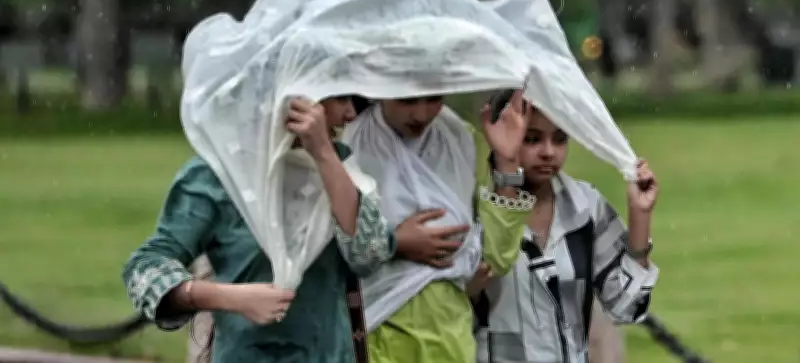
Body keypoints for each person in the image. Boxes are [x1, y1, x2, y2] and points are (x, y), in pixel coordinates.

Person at [122, 96, 396, 363]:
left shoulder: (339, 167)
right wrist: (230, 297)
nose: (350, 114)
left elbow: (369, 254)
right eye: (339, 98)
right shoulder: (218, 175)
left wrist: (323, 154)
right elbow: (144, 269)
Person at [342, 91, 536, 363]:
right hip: (376, 337)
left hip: (450, 339)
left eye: (433, 98)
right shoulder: (347, 146)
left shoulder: (461, 140)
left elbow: (496, 258)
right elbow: (330, 252)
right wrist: (393, 243)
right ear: (380, 88)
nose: (421, 114)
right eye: (407, 99)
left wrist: (507, 162)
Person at [474, 90, 660, 363]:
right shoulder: (473, 210)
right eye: (532, 139)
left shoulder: (584, 207)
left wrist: (640, 216)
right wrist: (507, 171)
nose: (549, 152)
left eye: (560, 139)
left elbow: (626, 307)